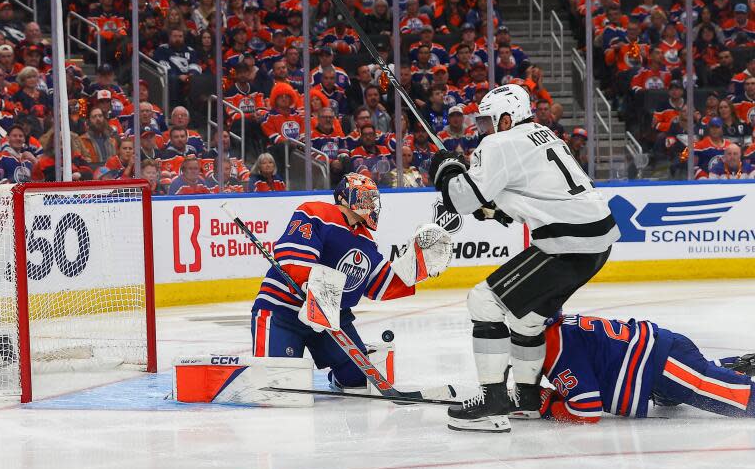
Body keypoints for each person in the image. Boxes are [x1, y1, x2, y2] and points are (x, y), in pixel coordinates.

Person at [429, 84, 620, 432]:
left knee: (483, 301)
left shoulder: (500, 142)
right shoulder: (543, 135)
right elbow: (530, 189)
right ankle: (528, 398)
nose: (481, 129)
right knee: (525, 320)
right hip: (597, 239)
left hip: (566, 242)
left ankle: (492, 402)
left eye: (487, 121)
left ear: (507, 118)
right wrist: (497, 208)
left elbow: (461, 199)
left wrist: (446, 169)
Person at [250, 173, 452, 389]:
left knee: (358, 378)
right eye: (365, 198)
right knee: (278, 385)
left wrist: (417, 269)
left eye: (373, 199)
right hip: (283, 310)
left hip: (330, 319)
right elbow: (294, 255)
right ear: (344, 198)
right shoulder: (315, 213)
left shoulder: (365, 240)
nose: (371, 204)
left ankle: (337, 378)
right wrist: (312, 286)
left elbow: (380, 284)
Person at [533, 313, 755, 423]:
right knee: (691, 382)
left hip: (664, 367)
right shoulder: (559, 328)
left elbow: (586, 409)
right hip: (658, 372)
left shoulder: (555, 350)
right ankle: (736, 365)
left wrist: (548, 407)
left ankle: (724, 375)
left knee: (740, 398)